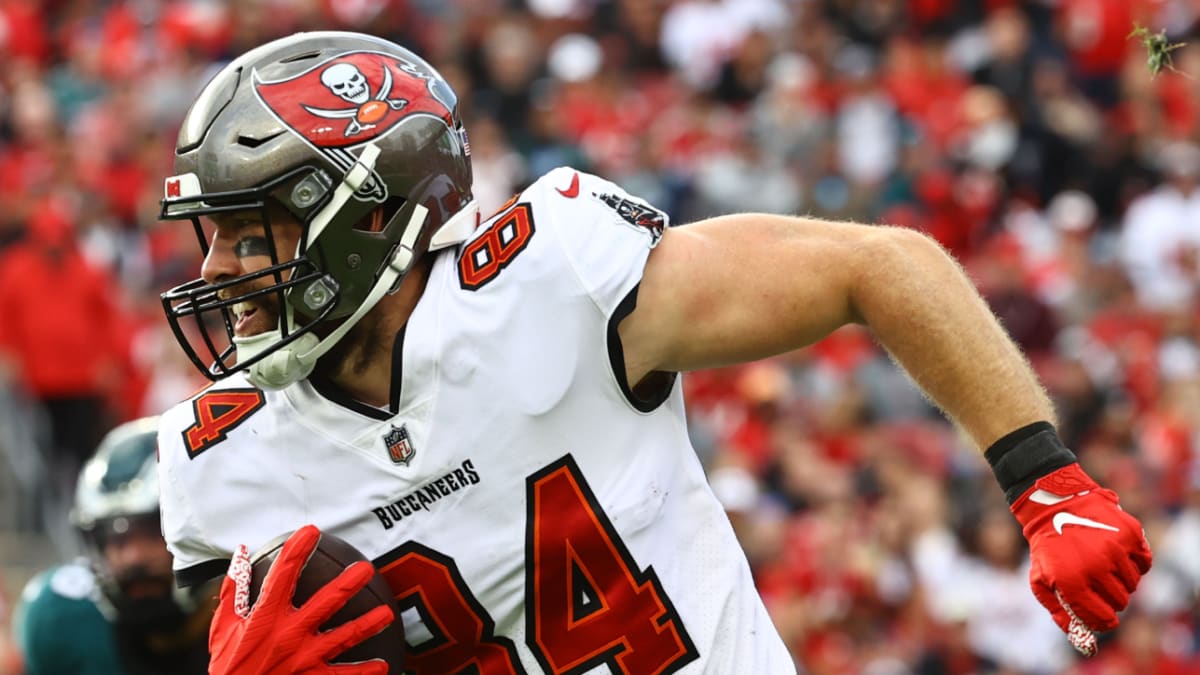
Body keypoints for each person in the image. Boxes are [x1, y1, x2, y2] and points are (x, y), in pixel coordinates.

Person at [154, 31, 1152, 674]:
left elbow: (876, 266)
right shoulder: (223, 463)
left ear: (370, 214)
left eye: (252, 233)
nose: (221, 270)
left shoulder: (551, 282)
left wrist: (1042, 478)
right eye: (213, 236)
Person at [13, 417, 215, 675]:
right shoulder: (63, 619)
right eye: (115, 538)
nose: (133, 557)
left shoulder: (259, 608)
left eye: (156, 531)